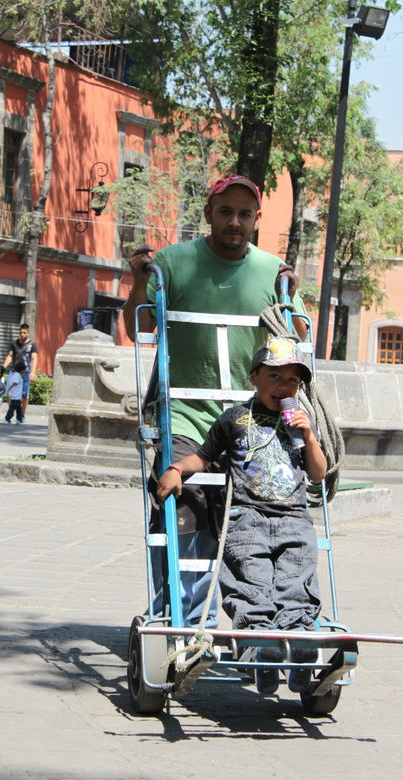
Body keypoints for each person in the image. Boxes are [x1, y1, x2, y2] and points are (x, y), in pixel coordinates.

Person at [123, 174, 308, 628]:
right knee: (185, 506)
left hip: (252, 421)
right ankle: (182, 617)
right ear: (208, 214)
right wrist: (138, 280)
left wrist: (290, 302)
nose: (235, 221)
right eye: (226, 211)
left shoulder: (272, 271)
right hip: (186, 414)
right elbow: (138, 328)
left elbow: (297, 340)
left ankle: (266, 617)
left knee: (265, 517)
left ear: (257, 220)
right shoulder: (173, 263)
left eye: (245, 214)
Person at [156, 336, 326, 694]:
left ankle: (299, 647)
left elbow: (318, 473)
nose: (283, 387)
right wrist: (175, 468)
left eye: (292, 380)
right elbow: (202, 456)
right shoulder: (234, 418)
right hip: (246, 518)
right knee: (252, 580)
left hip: (295, 517)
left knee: (297, 580)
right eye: (274, 377)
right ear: (254, 377)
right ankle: (258, 648)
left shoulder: (301, 422)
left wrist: (309, 436)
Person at [3, 323, 38, 420]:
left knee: (24, 395)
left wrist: (33, 373)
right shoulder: (14, 343)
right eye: (20, 333)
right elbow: (10, 356)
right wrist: (3, 367)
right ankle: (11, 411)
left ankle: (22, 414)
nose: (22, 334)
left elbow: (34, 358)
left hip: (25, 372)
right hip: (14, 371)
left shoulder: (32, 345)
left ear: (28, 333)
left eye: (24, 333)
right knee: (9, 392)